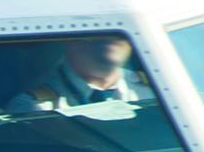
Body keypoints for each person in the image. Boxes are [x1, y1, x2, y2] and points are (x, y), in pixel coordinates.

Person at [8, 33, 146, 117]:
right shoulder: (35, 105)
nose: (109, 37)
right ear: (68, 39)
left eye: (119, 35)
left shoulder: (155, 89)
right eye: (95, 32)